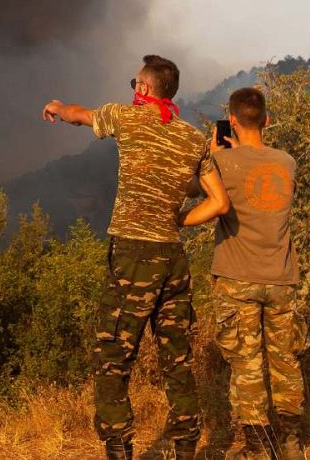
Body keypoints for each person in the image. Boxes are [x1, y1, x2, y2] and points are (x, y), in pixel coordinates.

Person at [43, 55, 228, 460]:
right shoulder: (192, 138)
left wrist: (56, 107)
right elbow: (219, 202)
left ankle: (119, 449)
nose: (133, 89)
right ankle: (184, 448)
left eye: (134, 83)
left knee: (112, 356)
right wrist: (179, 219)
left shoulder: (125, 117)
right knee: (177, 358)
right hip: (173, 258)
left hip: (133, 254)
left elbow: (79, 115)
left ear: (143, 90)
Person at [187, 86, 305, 459]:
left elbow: (193, 189)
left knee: (248, 364)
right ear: (267, 120)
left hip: (237, 278)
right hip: (282, 278)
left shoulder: (223, 163)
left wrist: (213, 151)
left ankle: (258, 448)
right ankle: (291, 442)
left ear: (231, 122)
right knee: (286, 361)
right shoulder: (287, 162)